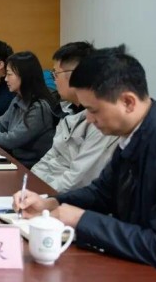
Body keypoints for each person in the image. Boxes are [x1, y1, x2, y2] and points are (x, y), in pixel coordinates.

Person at [13, 46, 156, 282]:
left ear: (128, 102)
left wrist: (80, 219)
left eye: (94, 110)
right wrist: (51, 202)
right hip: (137, 268)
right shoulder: (134, 134)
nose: (88, 119)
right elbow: (102, 192)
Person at [31, 42, 118, 192]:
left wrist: (39, 192)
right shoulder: (66, 110)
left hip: (66, 197)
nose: (54, 80)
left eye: (55, 74)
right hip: (48, 189)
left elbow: (78, 180)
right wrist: (30, 183)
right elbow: (50, 157)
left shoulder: (103, 121)